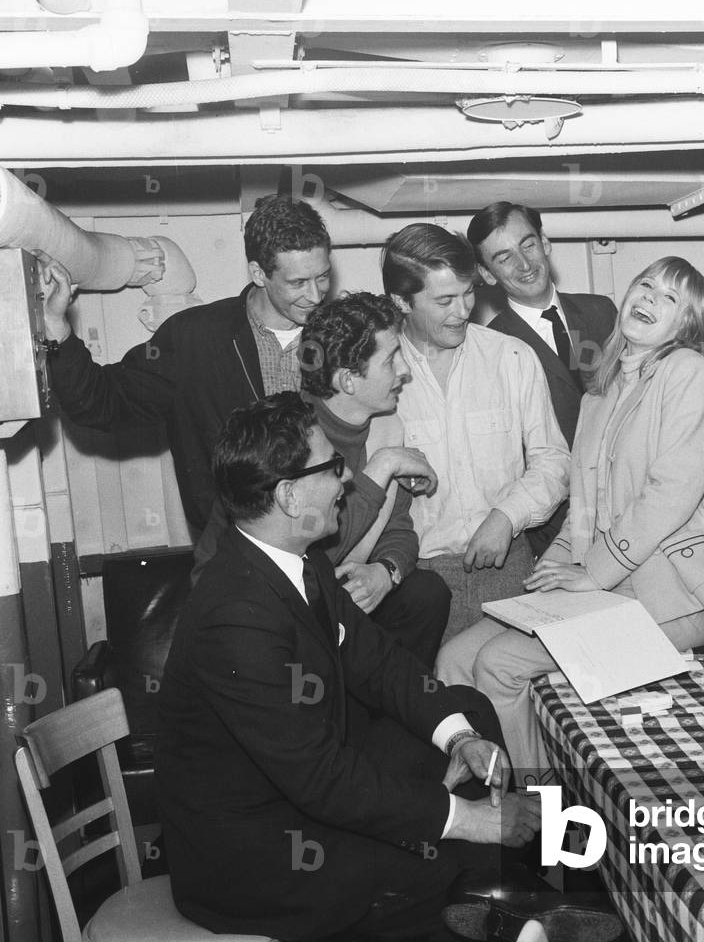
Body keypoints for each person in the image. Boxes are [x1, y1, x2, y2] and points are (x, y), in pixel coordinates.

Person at [156, 392, 541, 942]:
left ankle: (492, 907)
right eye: (333, 466)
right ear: (289, 496)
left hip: (303, 787)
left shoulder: (302, 559)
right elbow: (319, 778)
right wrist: (466, 819)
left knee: (469, 711)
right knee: (438, 859)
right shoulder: (233, 617)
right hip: (252, 849)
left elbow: (379, 663)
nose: (346, 480)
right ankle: (481, 910)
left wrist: (457, 739)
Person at [437, 257, 704, 773]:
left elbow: (670, 493)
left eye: (670, 298)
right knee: (454, 659)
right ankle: (492, 781)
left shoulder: (685, 370)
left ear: (687, 325)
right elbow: (584, 506)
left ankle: (542, 812)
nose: (648, 298)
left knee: (499, 664)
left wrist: (590, 573)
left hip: (671, 598)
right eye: (645, 284)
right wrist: (550, 574)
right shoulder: (602, 390)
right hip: (608, 591)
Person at [41, 194, 332, 535]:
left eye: (323, 277)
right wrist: (57, 328)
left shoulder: (342, 333)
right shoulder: (194, 338)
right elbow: (99, 402)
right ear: (258, 273)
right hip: (232, 558)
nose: (315, 296)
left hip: (329, 547)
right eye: (298, 283)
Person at [382, 224, 570, 640]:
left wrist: (506, 517)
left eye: (468, 292)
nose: (463, 310)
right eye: (444, 300)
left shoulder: (511, 357)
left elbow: (554, 460)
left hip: (510, 567)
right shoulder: (379, 374)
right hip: (419, 580)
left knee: (511, 695)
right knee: (436, 697)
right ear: (401, 301)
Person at [300, 292, 451, 667]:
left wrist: (386, 572)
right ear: (349, 380)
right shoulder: (292, 438)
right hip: (287, 611)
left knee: (426, 592)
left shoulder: (386, 427)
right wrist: (381, 467)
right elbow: (307, 559)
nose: (405, 371)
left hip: (345, 598)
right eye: (390, 361)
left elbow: (399, 531)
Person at [468, 202, 617, 556]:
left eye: (528, 245)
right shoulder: (492, 348)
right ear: (487, 275)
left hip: (629, 506)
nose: (524, 264)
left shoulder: (602, 311)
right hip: (557, 528)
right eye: (504, 257)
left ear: (545, 243)